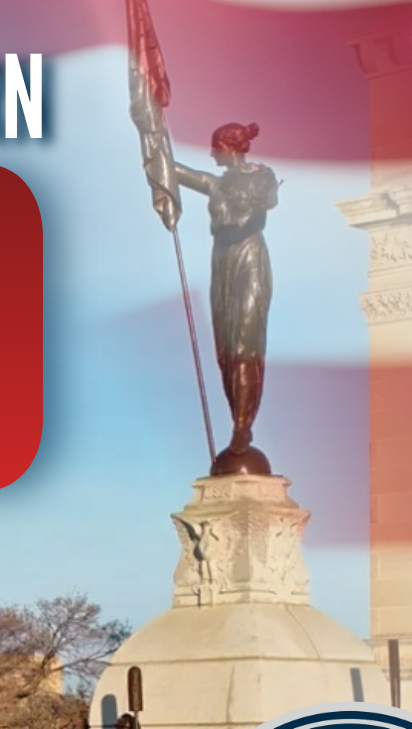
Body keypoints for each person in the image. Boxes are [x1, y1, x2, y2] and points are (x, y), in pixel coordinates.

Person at [176, 122, 278, 475]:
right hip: (222, 262)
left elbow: (267, 202)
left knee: (245, 340)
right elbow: (174, 171)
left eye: (214, 148)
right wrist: (151, 134)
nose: (210, 155)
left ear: (228, 147)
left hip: (249, 256)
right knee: (225, 350)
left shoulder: (261, 176)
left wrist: (254, 188)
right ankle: (238, 417)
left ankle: (242, 424)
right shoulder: (215, 184)